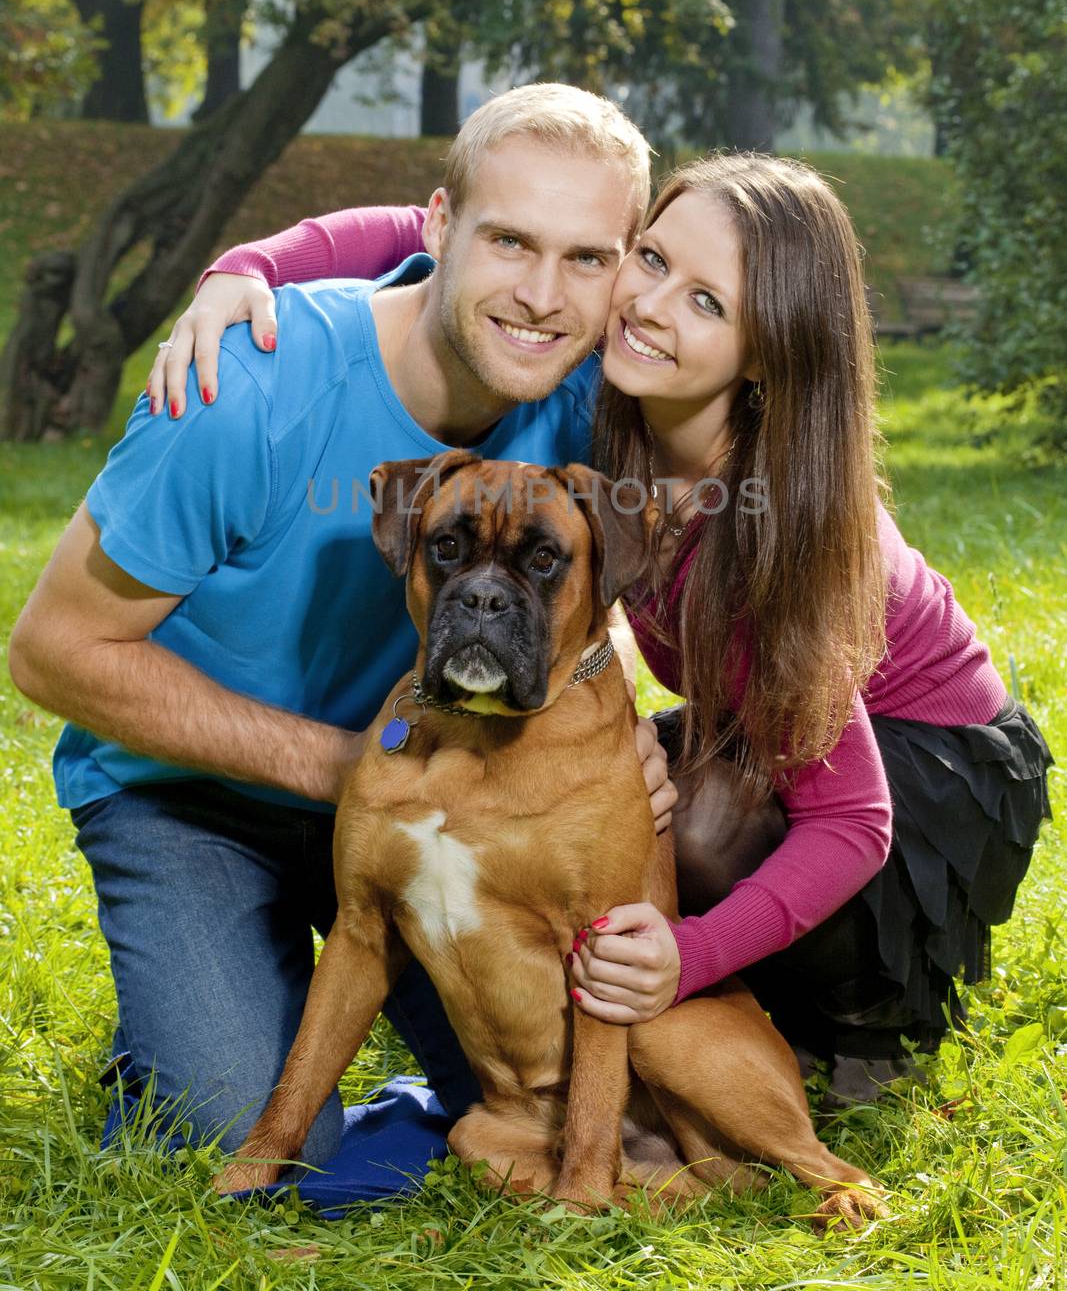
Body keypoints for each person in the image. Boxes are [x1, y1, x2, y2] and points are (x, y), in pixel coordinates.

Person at [157, 150, 1054, 1106]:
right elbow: (442, 228)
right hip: (759, 714)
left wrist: (689, 954)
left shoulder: (767, 538)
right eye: (654, 261)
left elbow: (852, 821)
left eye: (709, 304)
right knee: (619, 788)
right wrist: (242, 271)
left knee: (699, 822)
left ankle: (853, 1029)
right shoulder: (614, 375)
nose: (653, 307)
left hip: (926, 771)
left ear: (766, 355)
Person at [8, 83, 678, 1168]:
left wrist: (616, 749)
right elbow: (48, 651)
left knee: (557, 1101)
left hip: (443, 781)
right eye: (508, 240)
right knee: (233, 1122)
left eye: (586, 259)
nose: (542, 295)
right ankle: (186, 1026)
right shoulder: (245, 384)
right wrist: (349, 768)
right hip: (194, 800)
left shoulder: (580, 401)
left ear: (619, 273)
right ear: (439, 225)